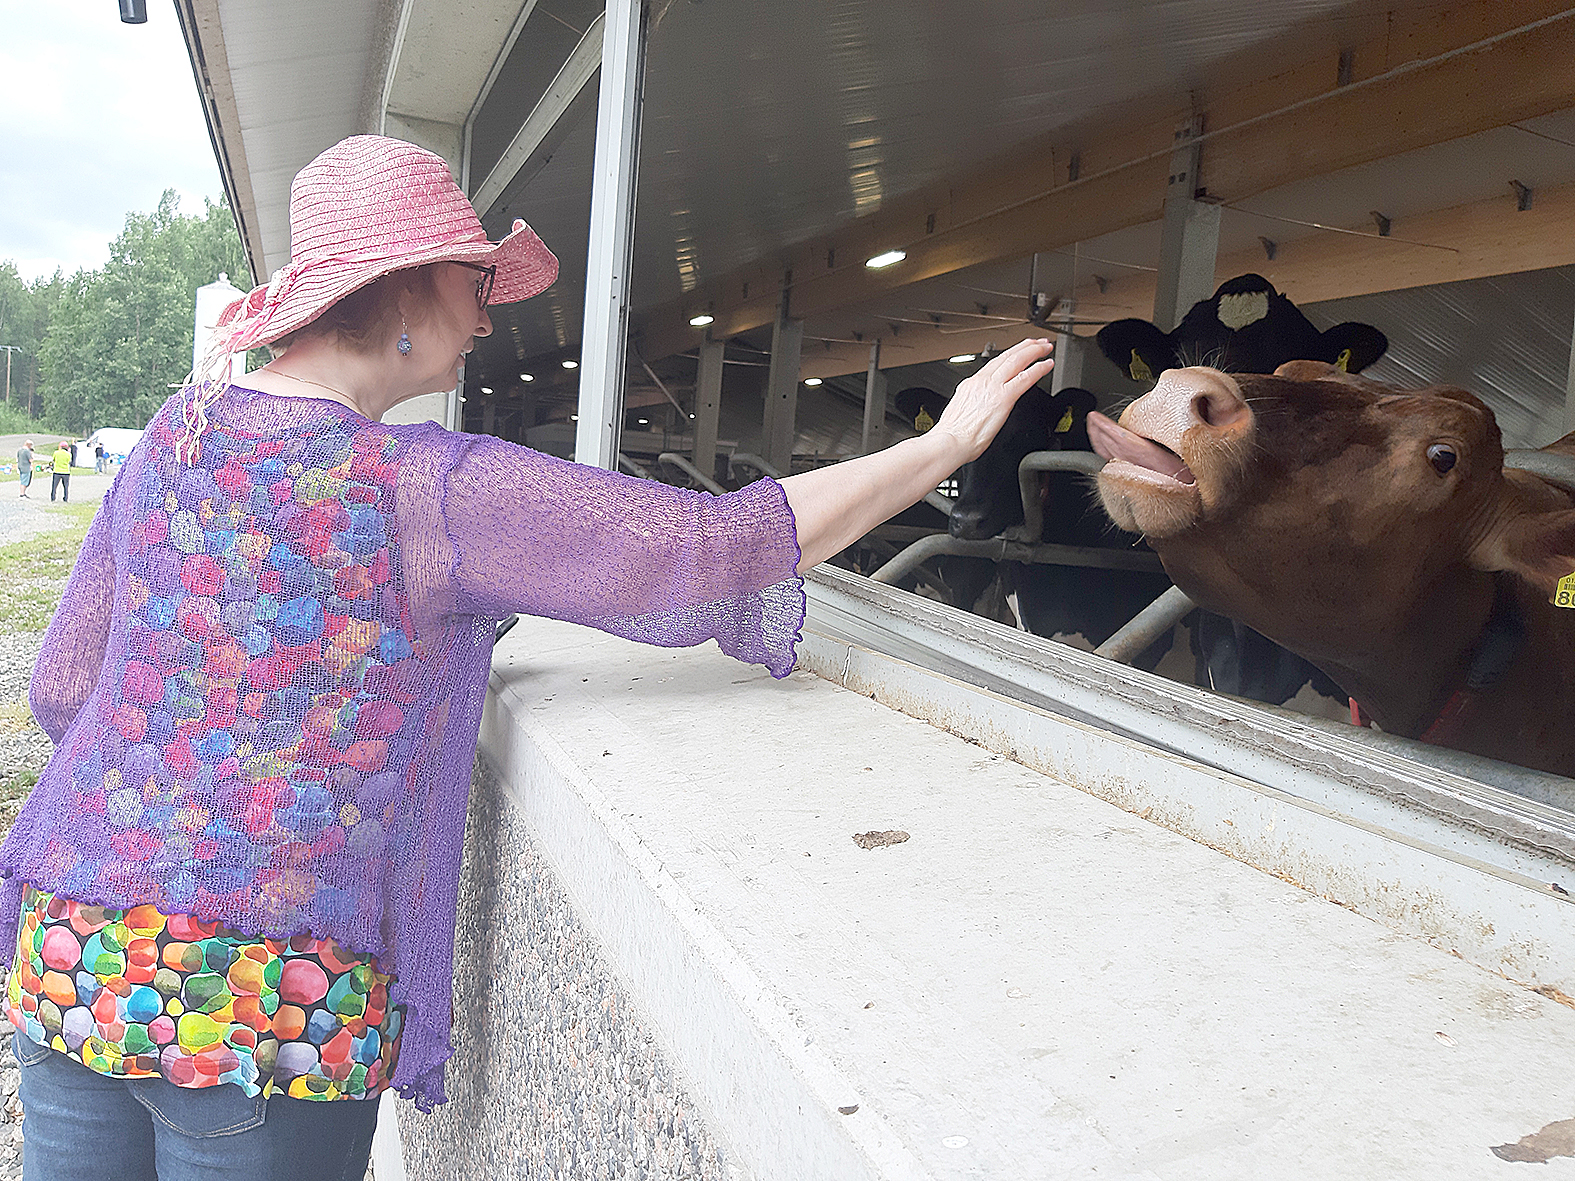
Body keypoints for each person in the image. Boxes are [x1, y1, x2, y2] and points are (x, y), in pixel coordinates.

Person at [0, 135, 1053, 1180]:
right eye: (473, 282)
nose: (487, 314)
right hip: (264, 1012)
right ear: (403, 292)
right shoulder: (427, 486)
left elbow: (63, 688)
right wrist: (942, 448)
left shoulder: (175, 436)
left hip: (71, 958)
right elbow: (704, 548)